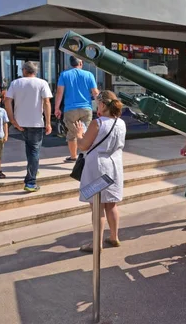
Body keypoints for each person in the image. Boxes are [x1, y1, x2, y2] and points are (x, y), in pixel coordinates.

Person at [74, 90, 126, 253]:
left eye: (98, 103)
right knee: (111, 204)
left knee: (97, 206)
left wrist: (78, 134)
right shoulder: (121, 123)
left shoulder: (98, 123)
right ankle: (114, 237)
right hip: (115, 165)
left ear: (103, 104)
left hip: (97, 167)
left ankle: (97, 243)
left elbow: (83, 145)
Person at [4, 61, 53, 192]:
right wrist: (48, 122)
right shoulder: (42, 83)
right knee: (34, 150)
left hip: (20, 122)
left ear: (24, 70)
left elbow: (7, 101)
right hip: (36, 122)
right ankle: (31, 181)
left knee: (29, 147)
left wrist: (12, 119)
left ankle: (33, 170)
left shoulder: (15, 83)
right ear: (35, 71)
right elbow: (47, 102)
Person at [54, 56, 100, 163]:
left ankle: (73, 156)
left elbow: (59, 92)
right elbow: (95, 92)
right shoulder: (89, 75)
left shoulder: (64, 75)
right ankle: (88, 154)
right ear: (81, 63)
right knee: (86, 132)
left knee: (72, 133)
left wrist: (57, 108)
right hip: (86, 108)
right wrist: (99, 107)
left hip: (70, 109)